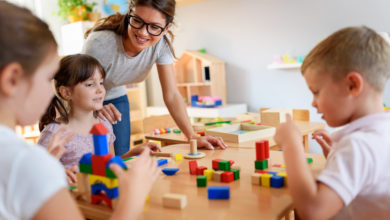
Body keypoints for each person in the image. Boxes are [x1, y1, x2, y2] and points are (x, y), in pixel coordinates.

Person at [0, 2, 159, 219]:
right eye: (48, 78)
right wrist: (133, 196)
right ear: (12, 79)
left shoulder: (29, 160)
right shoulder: (26, 163)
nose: (51, 91)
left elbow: (110, 161)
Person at [274, 26, 390, 219]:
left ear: (352, 85)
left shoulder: (358, 146)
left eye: (316, 92)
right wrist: (335, 156)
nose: (313, 103)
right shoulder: (381, 133)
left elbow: (313, 211)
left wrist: (291, 144)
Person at [83, 0, 227, 156]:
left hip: (116, 96)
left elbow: (171, 94)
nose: (143, 33)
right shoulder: (100, 43)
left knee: (120, 158)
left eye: (154, 27)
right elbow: (77, 86)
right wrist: (95, 107)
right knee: (92, 157)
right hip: (84, 97)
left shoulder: (162, 44)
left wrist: (192, 137)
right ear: (129, 15)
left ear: (166, 29)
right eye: (137, 20)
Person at [38, 54, 161, 184]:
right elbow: (37, 175)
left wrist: (133, 152)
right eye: (90, 84)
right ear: (66, 92)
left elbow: (109, 164)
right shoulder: (54, 133)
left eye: (101, 83)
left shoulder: (105, 124)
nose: (100, 90)